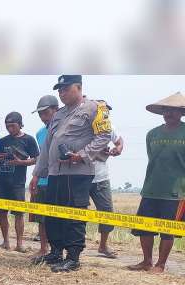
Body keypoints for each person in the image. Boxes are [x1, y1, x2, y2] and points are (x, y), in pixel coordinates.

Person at [30, 75, 112, 273]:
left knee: (73, 215)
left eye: (66, 88)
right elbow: (47, 146)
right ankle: (56, 252)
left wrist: (82, 155)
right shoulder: (58, 114)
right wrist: (36, 174)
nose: (62, 93)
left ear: (79, 87)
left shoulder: (94, 107)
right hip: (54, 173)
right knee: (53, 214)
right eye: (59, 90)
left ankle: (73, 258)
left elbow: (104, 136)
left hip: (78, 173)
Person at [127, 92, 185, 274]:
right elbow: (152, 159)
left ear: (182, 112)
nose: (169, 113)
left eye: (174, 110)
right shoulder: (152, 134)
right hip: (151, 188)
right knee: (145, 226)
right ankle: (146, 261)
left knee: (168, 229)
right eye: (166, 110)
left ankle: (161, 264)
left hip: (176, 190)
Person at [0, 112, 39, 252]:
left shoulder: (29, 140)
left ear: (20, 124)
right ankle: (6, 242)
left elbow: (37, 159)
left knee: (19, 214)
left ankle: (19, 244)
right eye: (7, 126)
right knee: (2, 212)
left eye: (12, 126)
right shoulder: (2, 141)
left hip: (17, 183)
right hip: (1, 181)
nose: (10, 129)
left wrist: (21, 162)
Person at [87, 108, 123, 259]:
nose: (104, 114)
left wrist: (118, 149)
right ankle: (75, 245)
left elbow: (119, 141)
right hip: (80, 175)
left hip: (101, 177)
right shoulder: (82, 127)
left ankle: (103, 245)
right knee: (77, 212)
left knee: (107, 212)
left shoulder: (108, 127)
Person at [29, 95, 60, 257]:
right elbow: (41, 157)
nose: (43, 117)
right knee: (41, 218)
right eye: (40, 114)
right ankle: (43, 248)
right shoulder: (40, 133)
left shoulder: (65, 129)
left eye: (45, 113)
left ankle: (57, 250)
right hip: (42, 180)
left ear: (56, 110)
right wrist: (35, 176)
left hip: (59, 180)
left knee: (56, 218)